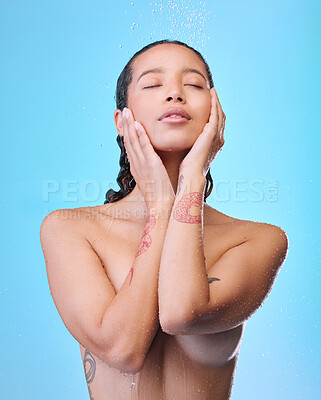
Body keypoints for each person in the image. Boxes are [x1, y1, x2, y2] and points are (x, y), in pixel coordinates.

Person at [40, 40, 289, 400]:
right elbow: (123, 349)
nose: (174, 93)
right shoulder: (71, 229)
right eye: (154, 84)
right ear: (121, 120)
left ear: (215, 112)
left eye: (193, 84)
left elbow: (180, 313)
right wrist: (159, 206)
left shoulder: (258, 240)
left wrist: (191, 179)